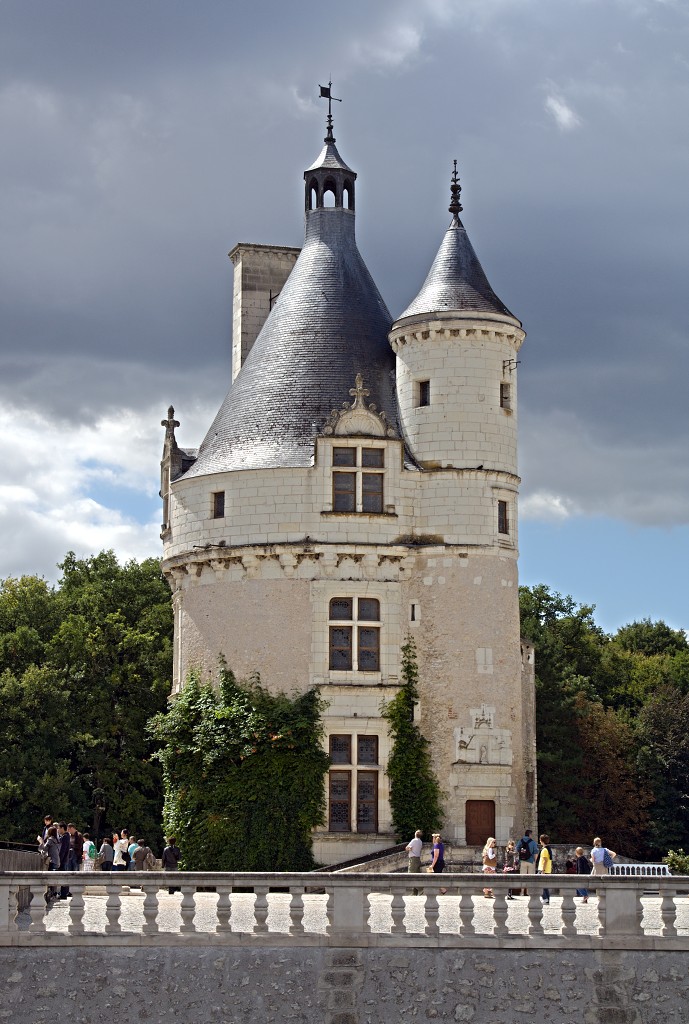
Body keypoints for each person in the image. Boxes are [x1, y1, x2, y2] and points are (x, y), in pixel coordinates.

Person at [39, 825, 60, 903]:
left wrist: (41, 842)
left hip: (53, 861)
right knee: (53, 880)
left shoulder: (50, 840)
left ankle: (50, 896)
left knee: (50, 880)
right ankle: (53, 895)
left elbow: (44, 848)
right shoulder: (57, 840)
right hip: (57, 861)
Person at [515, 829, 539, 896]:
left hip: (522, 861)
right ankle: (529, 892)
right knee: (530, 877)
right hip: (531, 861)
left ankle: (522, 892)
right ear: (530, 834)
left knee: (522, 876)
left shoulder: (521, 841)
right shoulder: (533, 842)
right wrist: (535, 860)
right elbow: (536, 852)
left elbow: (517, 849)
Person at [57, 822, 72, 899]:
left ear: (62, 828)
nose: (58, 830)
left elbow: (62, 850)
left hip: (63, 860)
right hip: (65, 859)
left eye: (59, 828)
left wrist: (59, 860)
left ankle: (63, 894)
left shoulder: (65, 837)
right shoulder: (66, 836)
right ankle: (63, 893)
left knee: (63, 877)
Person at [406, 829, 423, 895]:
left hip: (413, 859)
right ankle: (414, 892)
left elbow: (407, 848)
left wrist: (408, 848)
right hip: (418, 859)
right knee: (416, 875)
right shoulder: (420, 841)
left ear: (415, 834)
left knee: (411, 874)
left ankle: (420, 889)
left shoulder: (414, 840)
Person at [537, 833, 553, 904]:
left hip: (543, 869)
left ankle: (545, 898)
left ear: (541, 840)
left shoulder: (544, 850)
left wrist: (542, 870)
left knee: (540, 885)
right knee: (545, 886)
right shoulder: (548, 849)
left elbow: (545, 860)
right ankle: (547, 899)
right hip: (548, 869)